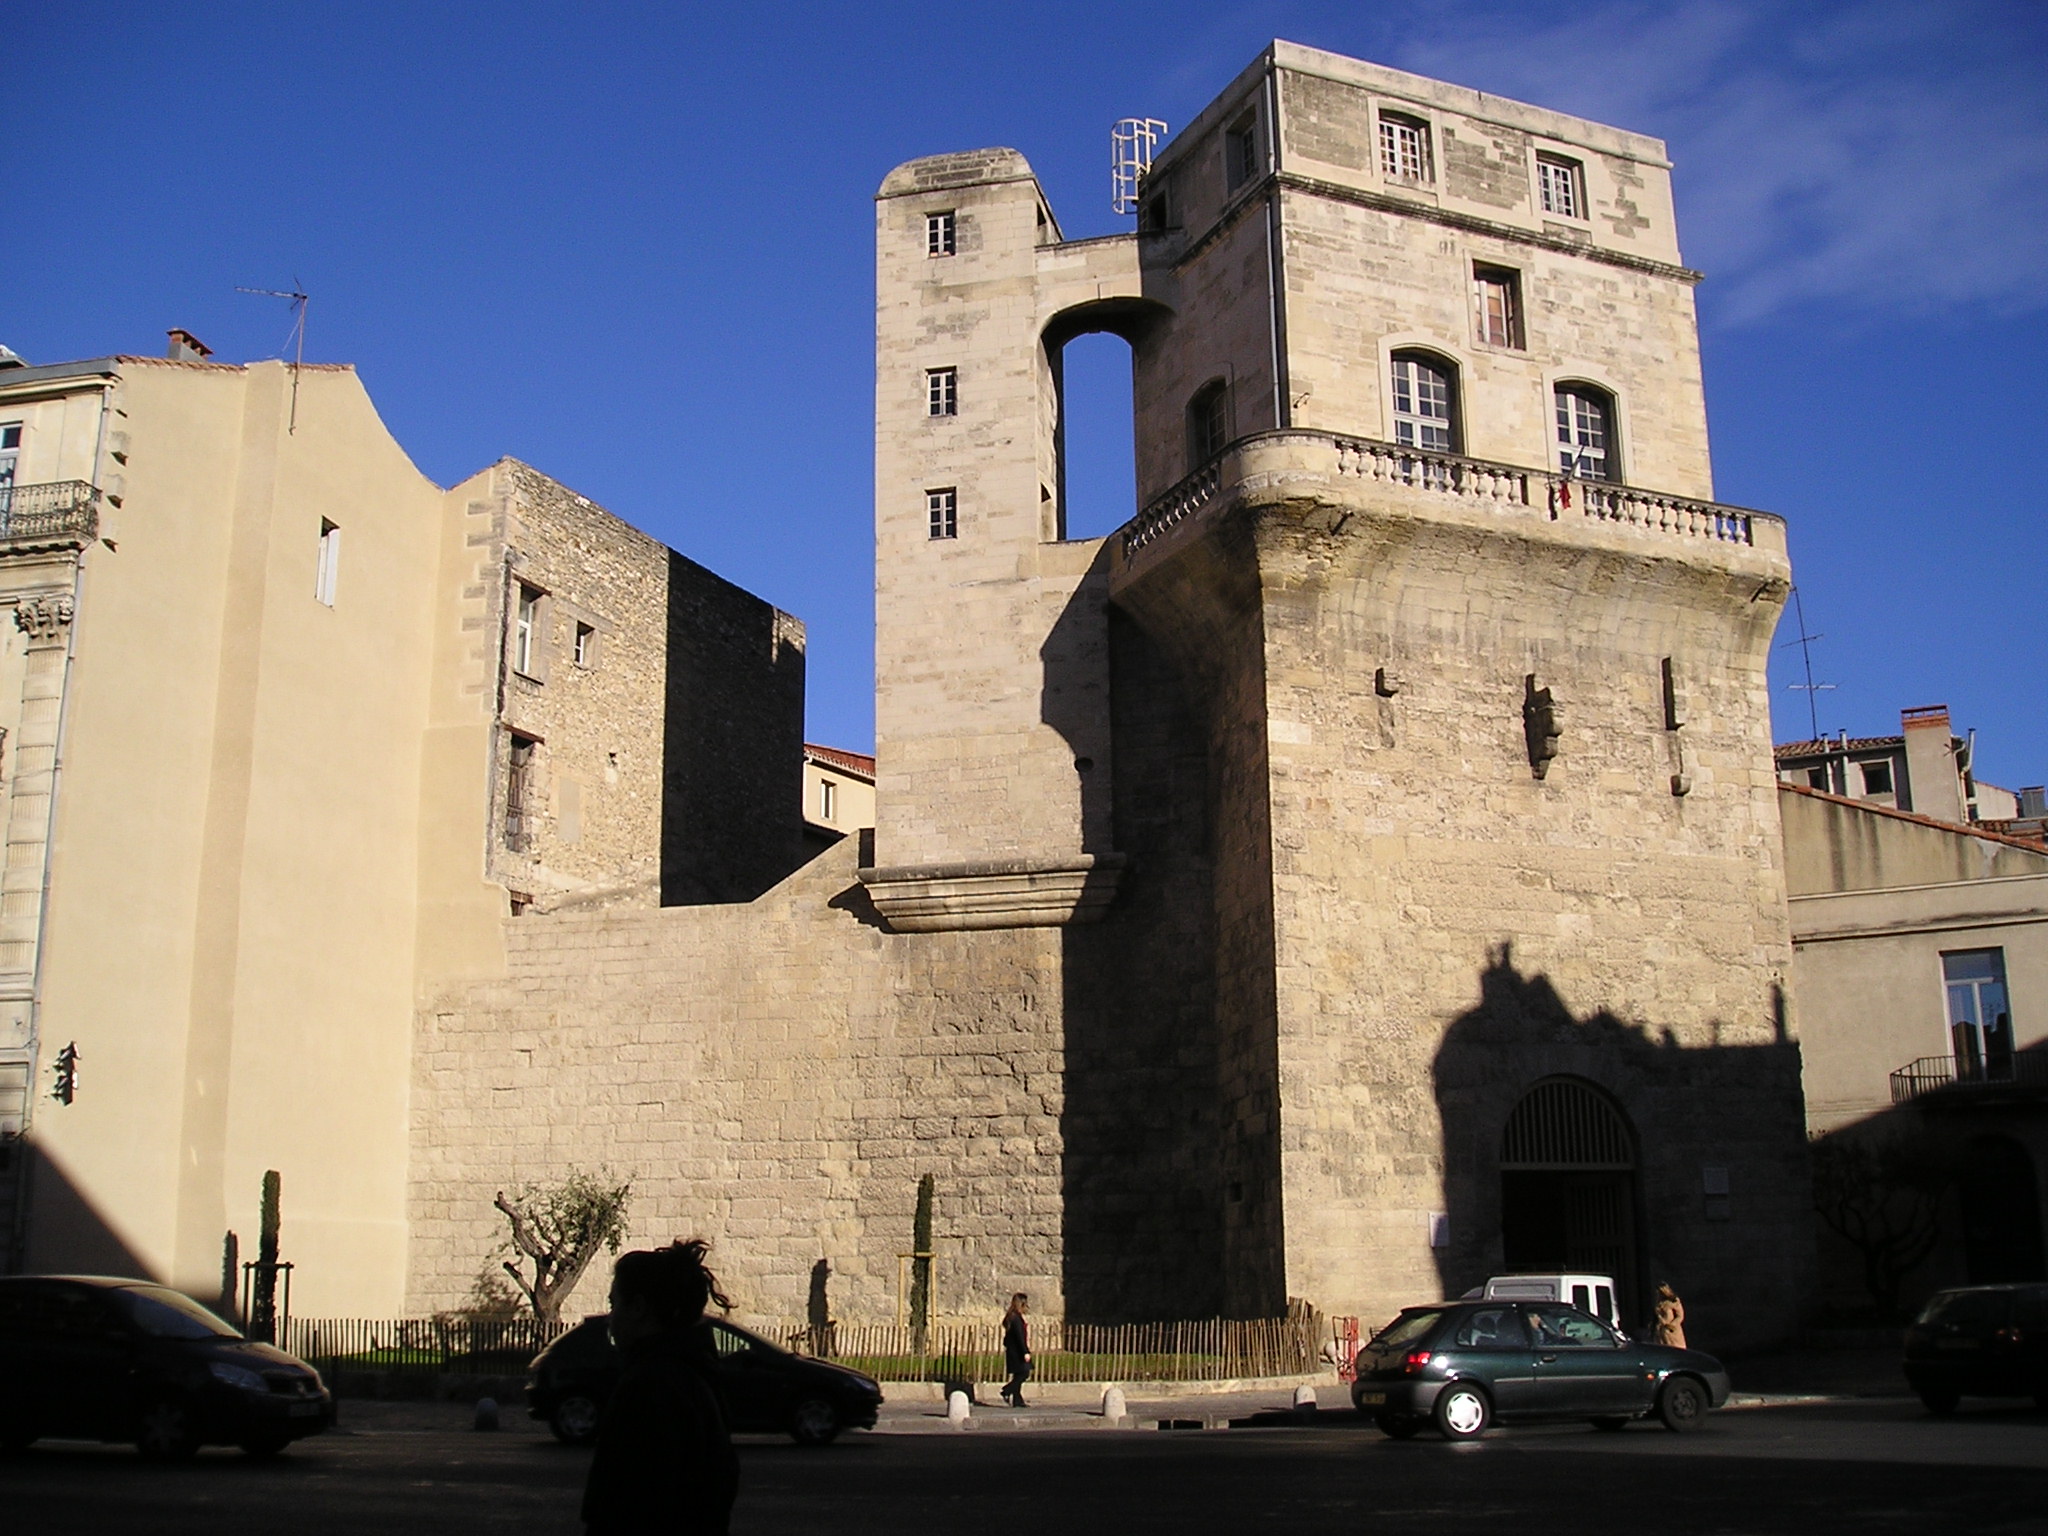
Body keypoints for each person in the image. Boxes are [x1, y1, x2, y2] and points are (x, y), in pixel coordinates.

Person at [582, 1240, 740, 1536]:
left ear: (639, 1308)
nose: (611, 1321)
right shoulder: (699, 1375)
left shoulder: (648, 1387)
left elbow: (622, 1506)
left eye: (614, 1304)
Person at [1000, 1292, 1033, 1408]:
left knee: (1018, 1374)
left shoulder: (1012, 1317)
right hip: (1018, 1352)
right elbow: (1020, 1337)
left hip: (1013, 1351)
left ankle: (1017, 1400)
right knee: (1024, 1373)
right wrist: (1025, 1352)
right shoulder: (1016, 1319)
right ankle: (1007, 1390)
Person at [1653, 1283, 1687, 1349]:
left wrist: (1672, 1325)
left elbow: (1680, 1315)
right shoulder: (1658, 1302)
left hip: (1671, 1331)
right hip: (1660, 1331)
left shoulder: (1673, 1301)